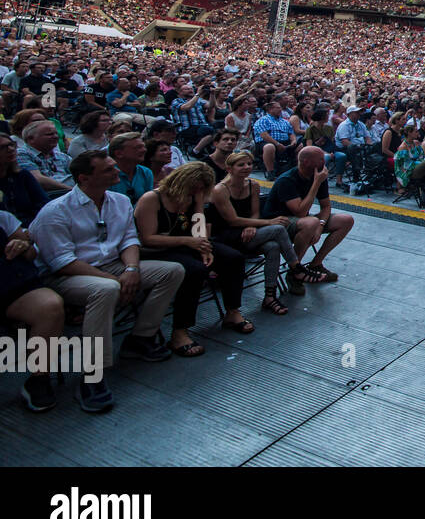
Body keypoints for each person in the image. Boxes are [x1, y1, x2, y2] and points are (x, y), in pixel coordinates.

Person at [30, 150, 186, 413]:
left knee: (172, 270)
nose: (117, 173)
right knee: (106, 289)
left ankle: (141, 337)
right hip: (69, 276)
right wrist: (116, 279)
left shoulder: (120, 200)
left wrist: (132, 269)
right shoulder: (55, 211)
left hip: (113, 266)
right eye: (108, 170)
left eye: (115, 167)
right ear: (84, 178)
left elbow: (128, 240)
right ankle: (92, 374)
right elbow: (62, 262)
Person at [135, 162, 248, 357]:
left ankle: (232, 311)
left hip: (187, 244)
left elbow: (198, 225)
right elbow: (148, 238)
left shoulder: (192, 198)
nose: (198, 191)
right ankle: (180, 331)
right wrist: (190, 242)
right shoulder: (152, 199)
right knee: (195, 270)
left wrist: (204, 246)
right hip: (158, 249)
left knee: (233, 258)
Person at [209, 150, 324, 308]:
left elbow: (255, 213)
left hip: (250, 231)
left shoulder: (253, 185)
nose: (246, 167)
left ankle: (269, 296)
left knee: (273, 246)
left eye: (249, 164)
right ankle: (296, 268)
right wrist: (268, 222)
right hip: (228, 236)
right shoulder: (220, 190)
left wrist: (252, 224)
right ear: (229, 169)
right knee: (277, 228)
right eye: (240, 164)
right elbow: (232, 220)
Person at [0, 208, 64, 411]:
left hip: (10, 287)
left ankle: (38, 378)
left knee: (49, 306)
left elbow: (32, 252)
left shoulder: (3, 219)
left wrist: (23, 245)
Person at [262, 146, 354, 281]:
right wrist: (316, 183)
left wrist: (320, 226)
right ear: (306, 162)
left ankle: (315, 264)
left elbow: (326, 206)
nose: (325, 161)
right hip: (279, 222)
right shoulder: (287, 180)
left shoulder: (318, 175)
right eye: (321, 159)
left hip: (304, 220)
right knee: (311, 223)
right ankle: (295, 271)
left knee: (346, 220)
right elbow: (300, 212)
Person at [0, 131, 48, 225]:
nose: (10, 149)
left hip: (33, 226)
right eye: (2, 147)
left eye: (11, 145)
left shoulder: (22, 175)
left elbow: (44, 204)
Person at [17, 120, 72, 195]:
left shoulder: (62, 156)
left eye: (56, 133)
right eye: (49, 134)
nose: (55, 137)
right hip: (47, 197)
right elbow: (36, 179)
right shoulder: (21, 154)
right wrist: (71, 190)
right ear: (31, 139)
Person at [253, 100, 299, 177]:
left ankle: (296, 168)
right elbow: (264, 135)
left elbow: (291, 133)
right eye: (277, 108)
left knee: (301, 145)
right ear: (270, 109)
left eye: (280, 107)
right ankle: (270, 172)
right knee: (269, 147)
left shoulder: (284, 121)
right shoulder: (263, 120)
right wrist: (277, 144)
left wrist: (293, 141)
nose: (280, 109)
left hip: (285, 142)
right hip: (267, 142)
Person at [107, 133, 154, 203]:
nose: (144, 150)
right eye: (138, 147)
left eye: (144, 147)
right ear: (119, 153)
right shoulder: (106, 174)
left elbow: (149, 202)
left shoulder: (146, 172)